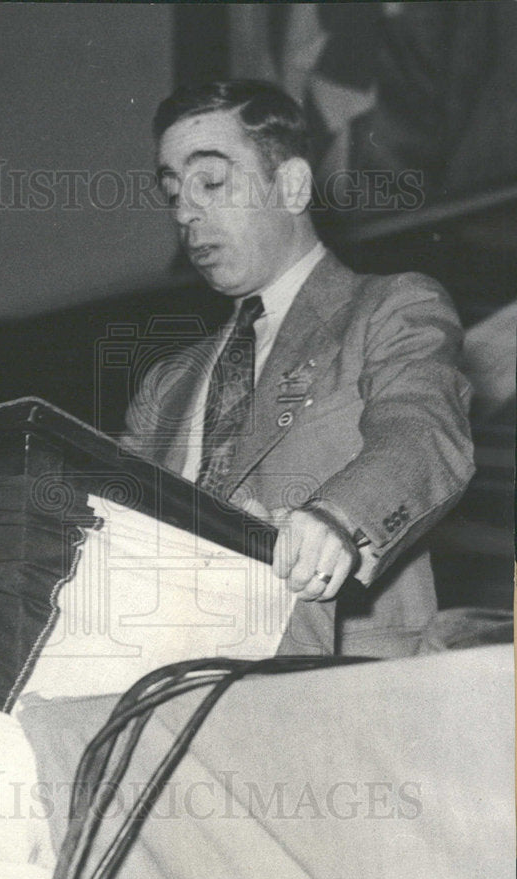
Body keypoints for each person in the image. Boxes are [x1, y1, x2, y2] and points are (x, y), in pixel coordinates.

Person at [122, 79, 475, 658]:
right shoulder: (167, 382)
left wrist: (338, 518)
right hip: (164, 688)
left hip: (337, 689)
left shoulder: (390, 307)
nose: (185, 210)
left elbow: (423, 432)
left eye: (210, 181)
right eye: (172, 192)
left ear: (291, 184)